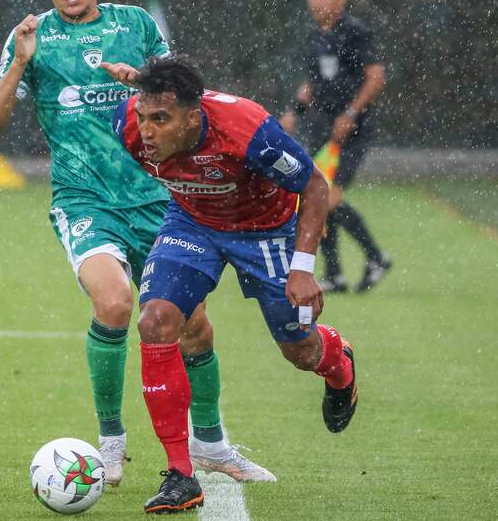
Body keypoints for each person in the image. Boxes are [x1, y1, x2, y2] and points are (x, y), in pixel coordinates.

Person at [0, 0, 273, 486]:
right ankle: (110, 442)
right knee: (114, 305)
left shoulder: (135, 24)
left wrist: (140, 81)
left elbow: (189, 107)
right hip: (85, 200)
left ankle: (211, 445)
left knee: (194, 329)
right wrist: (19, 63)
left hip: (160, 200)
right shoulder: (31, 38)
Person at [113, 57, 358, 514]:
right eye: (144, 117)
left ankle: (339, 364)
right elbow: (141, 118)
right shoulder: (128, 126)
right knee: (155, 323)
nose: (147, 131)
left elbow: (316, 186)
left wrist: (303, 269)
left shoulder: (248, 131)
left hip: (266, 229)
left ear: (194, 116)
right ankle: (181, 475)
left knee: (300, 352)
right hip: (192, 222)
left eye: (160, 120)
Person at [279, 0, 391, 293]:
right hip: (322, 129)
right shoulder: (314, 37)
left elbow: (376, 77)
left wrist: (352, 113)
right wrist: (292, 112)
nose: (318, 3)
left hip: (353, 131)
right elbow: (312, 84)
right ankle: (335, 276)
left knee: (327, 198)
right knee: (315, 197)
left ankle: (376, 257)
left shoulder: (356, 33)